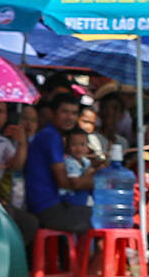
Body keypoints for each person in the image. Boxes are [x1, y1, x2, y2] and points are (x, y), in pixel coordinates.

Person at [22, 92, 97, 235]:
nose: (70, 117)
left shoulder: (51, 135)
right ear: (52, 113)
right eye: (65, 112)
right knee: (103, 219)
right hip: (47, 207)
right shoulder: (51, 136)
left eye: (74, 113)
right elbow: (65, 182)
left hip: (51, 204)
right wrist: (96, 179)